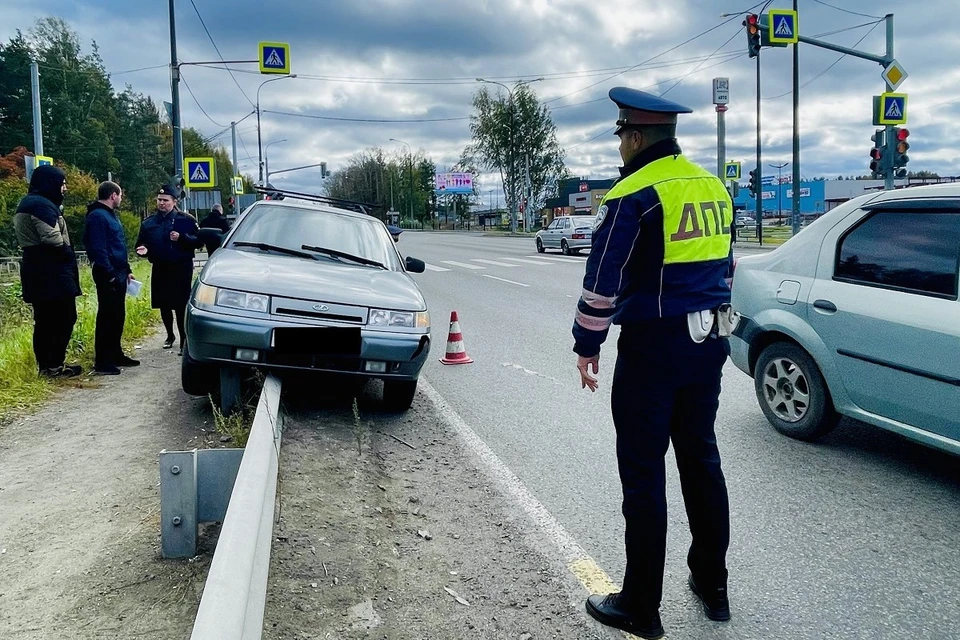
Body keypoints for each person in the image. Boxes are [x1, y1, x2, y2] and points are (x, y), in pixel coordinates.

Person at [573, 87, 735, 640]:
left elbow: (602, 282)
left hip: (652, 348)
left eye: (621, 136)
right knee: (701, 459)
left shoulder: (632, 193)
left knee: (644, 475)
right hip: (709, 339)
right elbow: (726, 267)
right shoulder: (713, 186)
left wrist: (587, 344)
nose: (620, 146)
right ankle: (713, 585)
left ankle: (640, 605)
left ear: (636, 137)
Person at [12, 165, 82, 378]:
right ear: (49, 183)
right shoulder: (40, 205)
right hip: (50, 272)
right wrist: (67, 255)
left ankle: (50, 365)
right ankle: (52, 366)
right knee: (62, 317)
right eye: (62, 184)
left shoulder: (31, 202)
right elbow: (52, 239)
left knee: (45, 320)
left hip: (37, 270)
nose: (65, 188)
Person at [135, 185, 201, 356]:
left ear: (174, 201)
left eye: (165, 200)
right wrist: (143, 250)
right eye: (159, 200)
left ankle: (183, 340)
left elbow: (199, 242)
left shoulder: (185, 220)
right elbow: (141, 243)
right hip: (161, 267)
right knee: (164, 304)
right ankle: (169, 335)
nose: (162, 203)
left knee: (180, 306)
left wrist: (182, 238)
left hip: (181, 268)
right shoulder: (149, 222)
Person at [84, 181, 140, 375]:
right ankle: (103, 361)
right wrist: (109, 275)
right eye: (120, 195)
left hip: (118, 271)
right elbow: (99, 249)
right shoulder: (98, 217)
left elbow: (117, 246)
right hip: (108, 274)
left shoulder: (109, 215)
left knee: (117, 315)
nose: (121, 198)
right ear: (113, 196)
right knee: (107, 316)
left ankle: (115, 353)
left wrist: (127, 269)